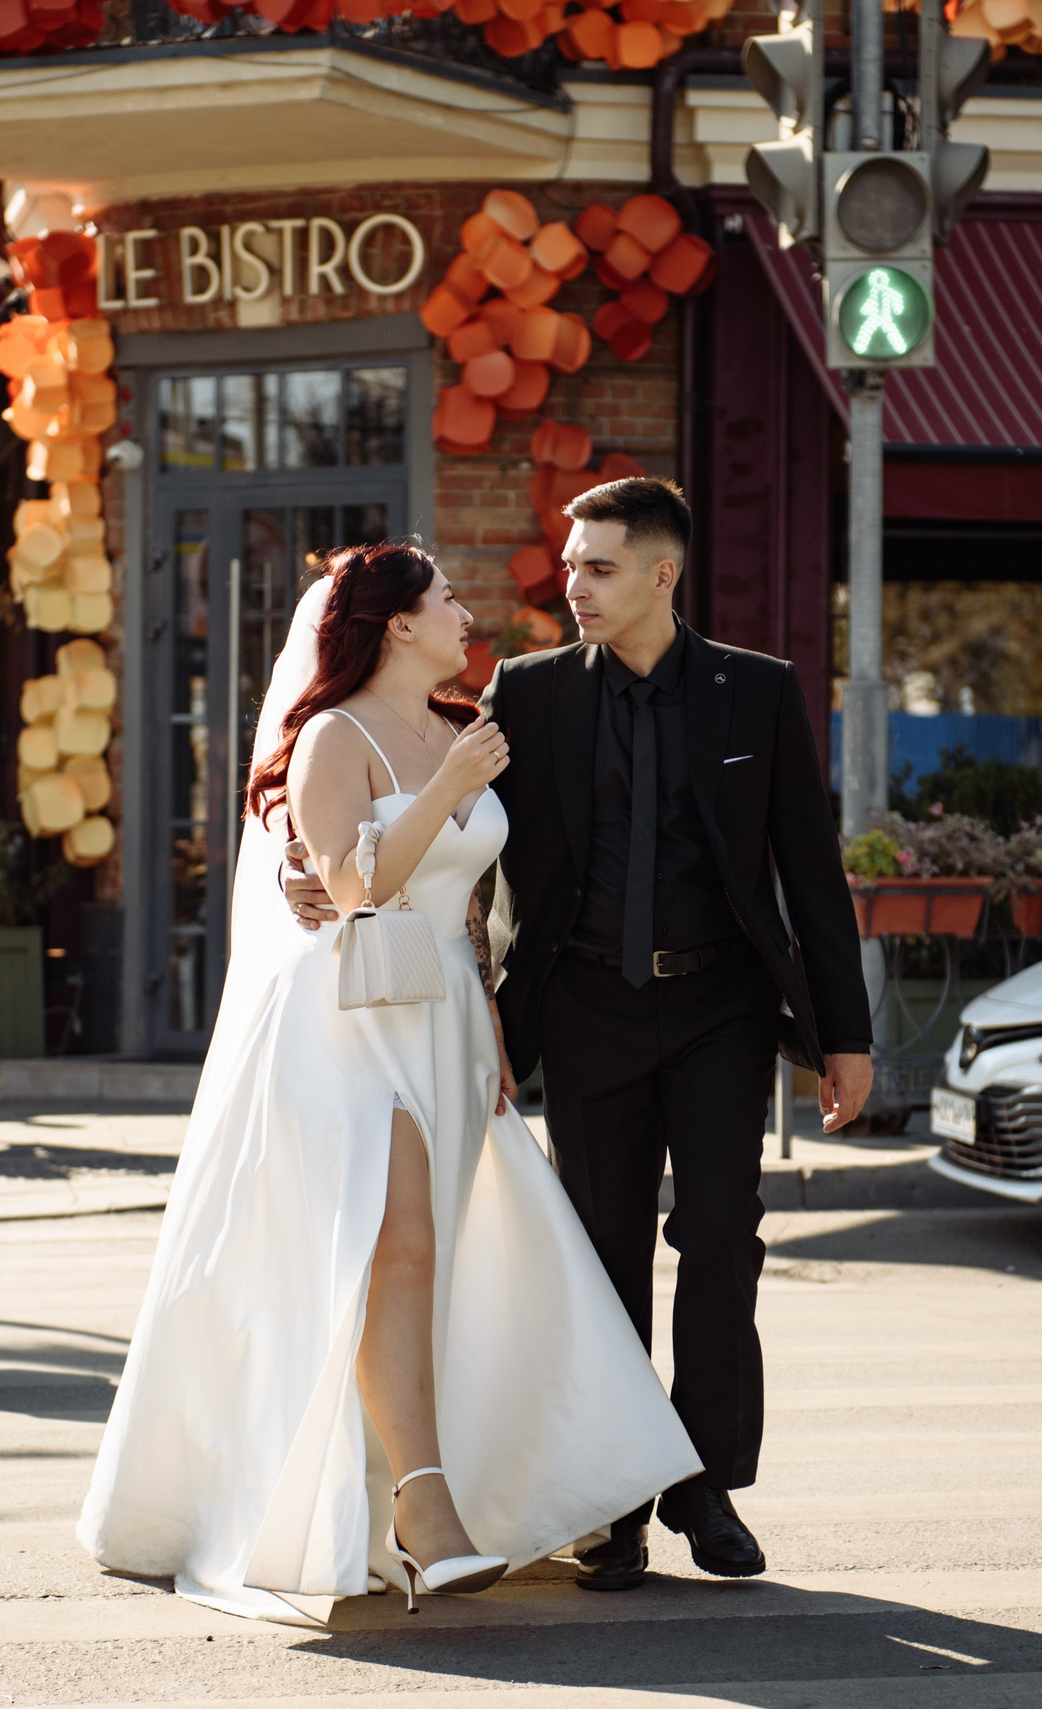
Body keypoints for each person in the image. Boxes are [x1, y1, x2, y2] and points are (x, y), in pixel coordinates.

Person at [80, 543, 698, 1624]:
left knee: (439, 1257)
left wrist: (498, 1025)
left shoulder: (466, 726)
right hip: (347, 1023)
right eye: (446, 599)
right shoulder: (332, 734)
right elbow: (353, 881)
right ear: (396, 623)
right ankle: (424, 1508)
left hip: (450, 1017)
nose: (467, 613)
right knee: (393, 1242)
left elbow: (472, 901)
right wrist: (450, 790)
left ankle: (424, 1490)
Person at [455, 476, 873, 1589]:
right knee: (602, 1260)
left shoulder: (756, 692)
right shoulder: (529, 693)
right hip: (584, 1005)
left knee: (724, 1238)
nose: (571, 584)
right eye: (569, 564)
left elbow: (810, 875)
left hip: (720, 1008)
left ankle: (704, 1479)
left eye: (596, 566)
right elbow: (472, 853)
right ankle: (616, 1501)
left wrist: (848, 1033)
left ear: (661, 575)